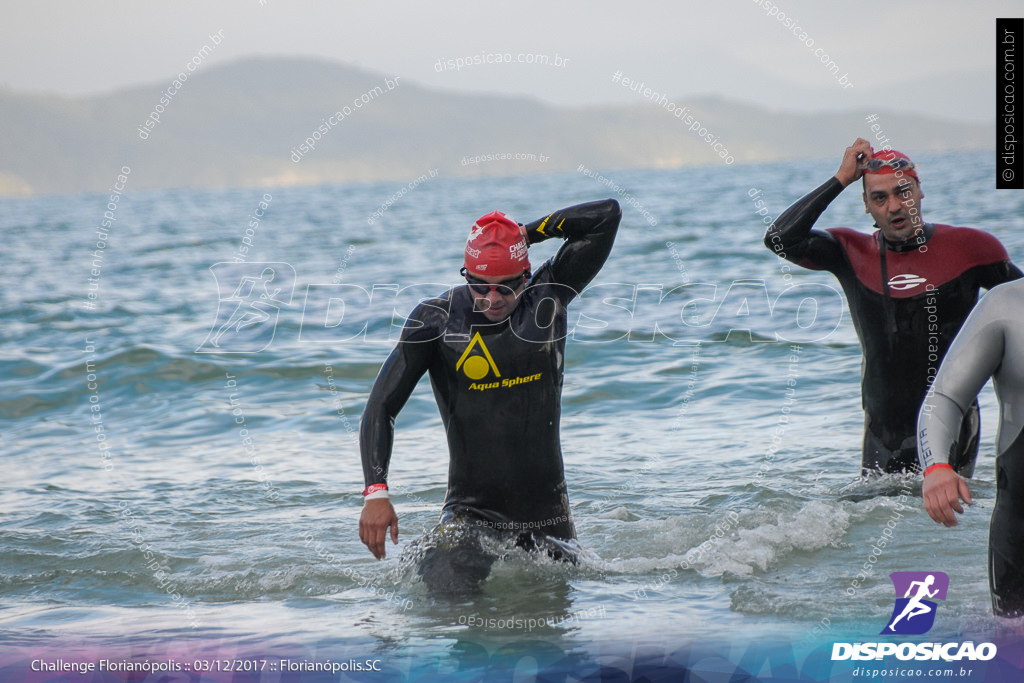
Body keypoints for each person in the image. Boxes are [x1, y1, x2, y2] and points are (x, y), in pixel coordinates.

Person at [358, 199, 621, 593]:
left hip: (548, 521)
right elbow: (382, 406)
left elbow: (606, 216)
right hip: (471, 514)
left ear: (526, 274)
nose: (493, 298)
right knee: (447, 594)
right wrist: (375, 493)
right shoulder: (436, 321)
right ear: (466, 274)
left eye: (507, 286)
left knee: (548, 629)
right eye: (480, 286)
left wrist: (524, 236)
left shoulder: (548, 298)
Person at [765, 139, 1021, 475]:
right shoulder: (850, 251)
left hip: (951, 425)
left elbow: (1019, 309)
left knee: (946, 521)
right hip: (881, 437)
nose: (895, 206)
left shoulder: (972, 248)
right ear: (867, 205)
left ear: (919, 192)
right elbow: (779, 238)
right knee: (873, 520)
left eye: (903, 192)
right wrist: (841, 178)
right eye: (880, 198)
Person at [918, 279, 1024, 617]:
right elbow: (944, 399)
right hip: (1020, 530)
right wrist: (936, 467)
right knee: (1012, 650)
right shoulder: (1007, 304)